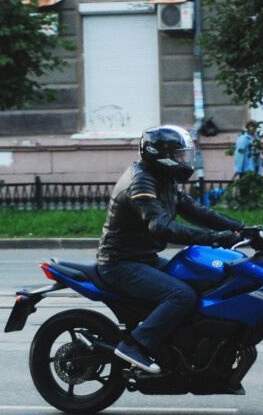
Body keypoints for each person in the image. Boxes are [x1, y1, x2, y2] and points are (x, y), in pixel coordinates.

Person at [97, 124, 247, 374]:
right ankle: (135, 345)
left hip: (144, 259)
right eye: (179, 155)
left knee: (202, 283)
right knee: (182, 296)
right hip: (120, 263)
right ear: (160, 155)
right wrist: (214, 238)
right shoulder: (141, 183)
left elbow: (197, 211)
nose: (184, 161)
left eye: (184, 155)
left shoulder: (163, 179)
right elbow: (162, 226)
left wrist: (242, 229)